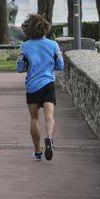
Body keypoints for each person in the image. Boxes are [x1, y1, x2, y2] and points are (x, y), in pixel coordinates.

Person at [16, 14, 64, 161]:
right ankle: (49, 138)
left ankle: (37, 152)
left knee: (34, 118)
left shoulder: (24, 46)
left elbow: (20, 67)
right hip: (48, 84)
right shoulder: (53, 45)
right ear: (45, 28)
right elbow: (60, 65)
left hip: (32, 86)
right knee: (49, 116)